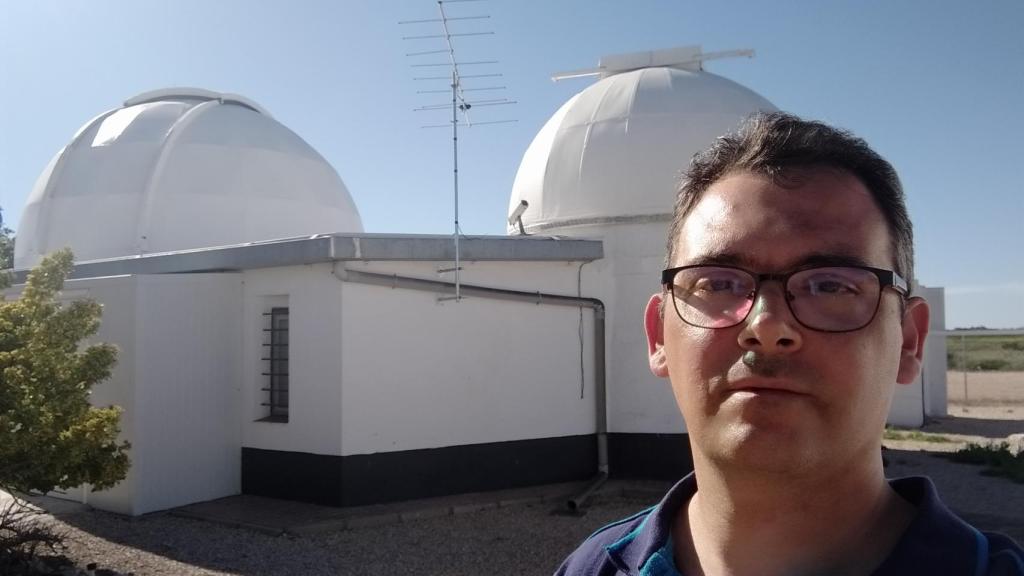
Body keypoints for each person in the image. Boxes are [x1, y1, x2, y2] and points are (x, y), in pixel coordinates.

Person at [555, 112, 1024, 576]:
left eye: (832, 285)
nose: (767, 325)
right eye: (718, 284)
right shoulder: (591, 569)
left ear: (908, 341)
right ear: (659, 335)